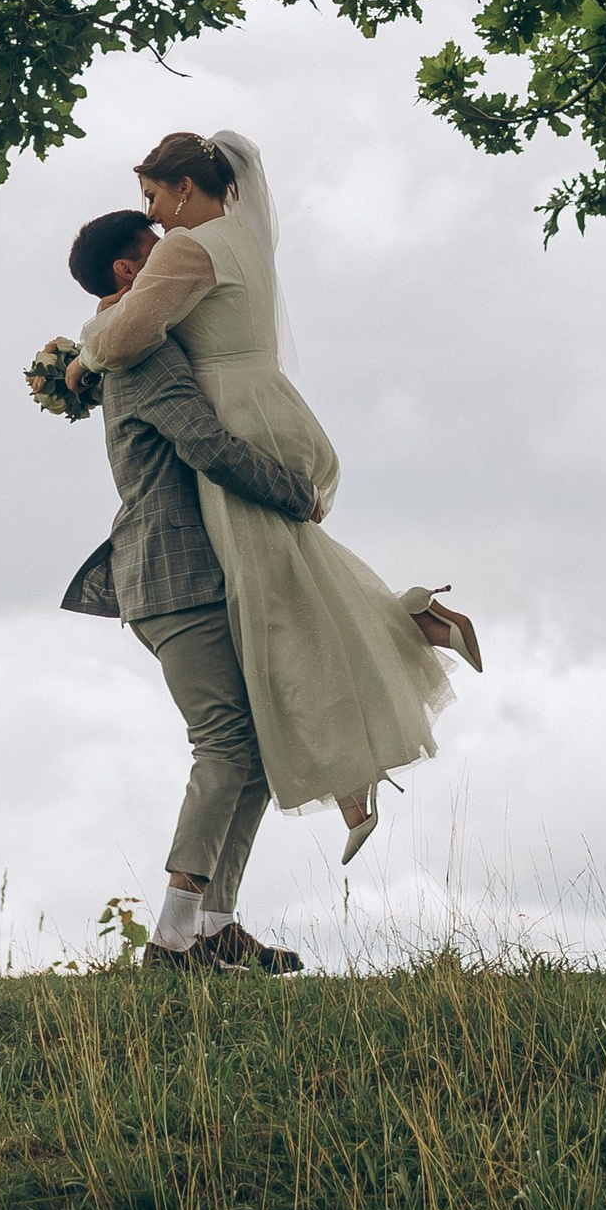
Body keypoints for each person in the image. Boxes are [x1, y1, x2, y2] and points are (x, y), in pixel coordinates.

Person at [77, 129, 483, 862]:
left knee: (277, 617)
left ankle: (360, 748)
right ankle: (406, 630)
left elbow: (130, 334)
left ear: (185, 189)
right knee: (294, 586)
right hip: (269, 403)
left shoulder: (184, 249)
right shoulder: (246, 239)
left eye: (155, 197)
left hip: (230, 419)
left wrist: (81, 346)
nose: (156, 216)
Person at [58, 206, 320, 971]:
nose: (176, 259)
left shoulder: (118, 345)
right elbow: (204, 444)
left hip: (184, 573)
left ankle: (213, 925)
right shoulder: (142, 353)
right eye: (157, 250)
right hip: (172, 575)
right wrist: (294, 492)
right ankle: (174, 936)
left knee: (257, 751)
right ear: (127, 273)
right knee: (227, 740)